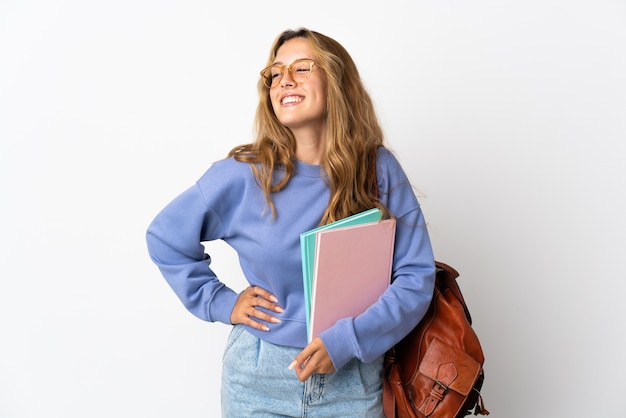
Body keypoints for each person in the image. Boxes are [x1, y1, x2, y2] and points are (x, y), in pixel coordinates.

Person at [146, 27, 435, 417]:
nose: (284, 80)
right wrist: (220, 301)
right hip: (256, 379)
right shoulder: (242, 175)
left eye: (301, 68)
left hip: (352, 379)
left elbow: (415, 278)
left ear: (336, 81)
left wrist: (348, 341)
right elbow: (165, 238)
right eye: (275, 72)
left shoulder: (377, 171)